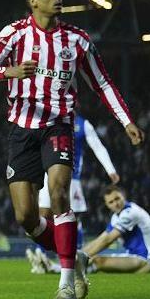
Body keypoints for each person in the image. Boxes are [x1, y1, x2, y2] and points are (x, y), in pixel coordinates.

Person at [0, 0, 145, 299]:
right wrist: (8, 73)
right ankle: (75, 256)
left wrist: (126, 121)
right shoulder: (14, 34)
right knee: (26, 217)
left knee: (58, 194)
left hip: (59, 127)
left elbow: (102, 83)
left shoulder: (77, 40)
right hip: (21, 130)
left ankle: (66, 282)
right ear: (33, 3)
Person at [27, 114, 119, 273]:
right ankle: (41, 256)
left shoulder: (83, 124)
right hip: (47, 176)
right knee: (42, 216)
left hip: (72, 179)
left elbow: (97, 146)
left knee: (72, 218)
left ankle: (77, 256)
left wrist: (110, 169)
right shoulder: (47, 120)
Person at [79, 186, 150, 274]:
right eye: (111, 202)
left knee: (97, 261)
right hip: (133, 256)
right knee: (90, 260)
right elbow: (101, 239)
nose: (115, 204)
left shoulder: (130, 212)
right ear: (107, 205)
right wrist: (79, 254)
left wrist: (80, 258)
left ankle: (72, 272)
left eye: (117, 199)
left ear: (124, 196)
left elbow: (108, 240)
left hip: (146, 259)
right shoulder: (116, 217)